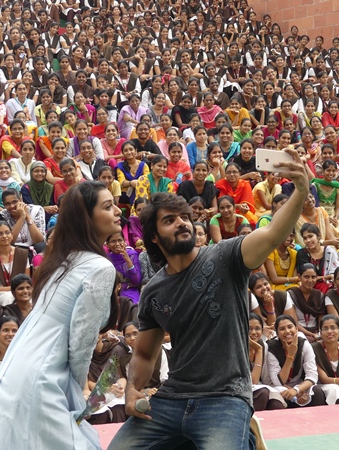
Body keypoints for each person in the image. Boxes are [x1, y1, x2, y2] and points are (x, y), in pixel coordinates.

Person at [108, 148, 308, 449]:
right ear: (153, 237)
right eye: (170, 220)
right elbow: (145, 355)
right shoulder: (153, 291)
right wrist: (133, 389)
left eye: (185, 218)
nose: (182, 223)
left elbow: (271, 235)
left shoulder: (227, 255)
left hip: (226, 397)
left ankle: (246, 433)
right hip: (172, 397)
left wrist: (301, 190)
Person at [0, 182, 122, 449]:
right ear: (87, 217)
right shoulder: (99, 267)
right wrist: (80, 390)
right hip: (44, 375)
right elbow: (82, 341)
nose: (118, 210)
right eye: (108, 206)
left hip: (18, 368)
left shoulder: (63, 259)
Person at [261, 315, 327, 408]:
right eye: (282, 329)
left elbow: (312, 376)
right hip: (280, 388)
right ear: (277, 333)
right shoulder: (272, 348)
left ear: (296, 329)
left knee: (317, 391)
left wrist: (297, 390)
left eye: (290, 327)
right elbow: (278, 381)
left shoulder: (304, 344)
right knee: (277, 399)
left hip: (299, 386)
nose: (287, 331)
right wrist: (290, 356)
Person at [0, 221, 31, 306]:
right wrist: (12, 289)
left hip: (22, 291)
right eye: (0, 234)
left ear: (12, 235)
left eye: (7, 233)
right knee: (8, 297)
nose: (4, 236)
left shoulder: (22, 254)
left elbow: (26, 281)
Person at [106, 232, 142, 304]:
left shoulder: (132, 255)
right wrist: (126, 285)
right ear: (107, 244)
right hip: (114, 294)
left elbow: (137, 281)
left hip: (131, 293)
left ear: (124, 241)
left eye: (120, 240)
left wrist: (128, 260)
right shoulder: (107, 259)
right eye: (113, 241)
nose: (117, 244)